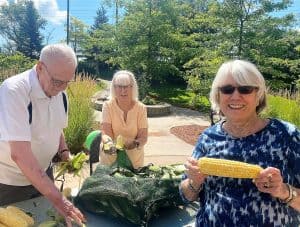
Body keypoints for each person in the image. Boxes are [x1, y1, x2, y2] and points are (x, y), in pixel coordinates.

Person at [179, 59, 300, 226]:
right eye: (227, 89)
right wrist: (194, 181)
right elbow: (186, 196)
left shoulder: (287, 135)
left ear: (258, 96)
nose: (235, 96)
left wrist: (283, 191)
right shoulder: (208, 137)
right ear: (218, 96)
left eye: (245, 89)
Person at [0, 43, 85, 226]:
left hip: (44, 175)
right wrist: (60, 200)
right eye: (57, 82)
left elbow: (57, 128)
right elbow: (19, 154)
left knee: (48, 220)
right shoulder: (14, 90)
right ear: (40, 67)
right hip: (9, 182)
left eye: (67, 82)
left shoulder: (61, 94)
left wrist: (64, 153)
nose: (62, 88)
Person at [100, 70, 148, 169]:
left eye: (126, 87)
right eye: (119, 86)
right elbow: (105, 131)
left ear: (132, 87)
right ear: (114, 88)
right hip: (110, 160)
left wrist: (135, 143)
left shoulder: (141, 108)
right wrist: (108, 143)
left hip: (135, 162)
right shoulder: (108, 106)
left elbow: (143, 136)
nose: (123, 91)